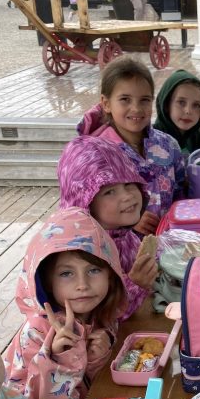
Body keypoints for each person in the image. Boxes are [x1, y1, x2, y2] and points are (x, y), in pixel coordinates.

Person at [4, 207, 128, 399]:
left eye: (94, 270)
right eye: (66, 273)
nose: (83, 285)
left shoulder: (102, 314)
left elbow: (90, 388)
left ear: (111, 274)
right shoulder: (37, 333)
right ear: (46, 281)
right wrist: (58, 362)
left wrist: (96, 360)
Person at [77, 56, 185, 234]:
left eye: (144, 100)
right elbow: (86, 209)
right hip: (123, 252)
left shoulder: (169, 145)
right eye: (125, 99)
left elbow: (181, 191)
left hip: (170, 244)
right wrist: (128, 219)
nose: (136, 108)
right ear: (106, 103)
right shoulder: (95, 155)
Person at [58, 135, 159, 320]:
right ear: (85, 202)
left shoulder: (123, 234)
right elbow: (96, 315)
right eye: (109, 191)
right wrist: (136, 284)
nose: (127, 196)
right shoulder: (81, 253)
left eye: (129, 184)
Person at [154, 69, 200, 154]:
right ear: (166, 105)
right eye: (181, 102)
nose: (188, 111)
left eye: (196, 105)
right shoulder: (151, 137)